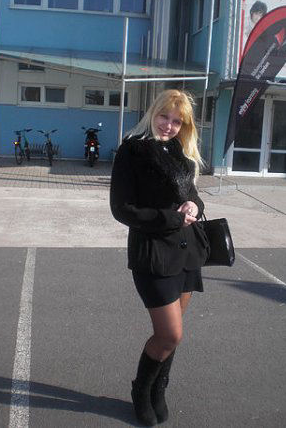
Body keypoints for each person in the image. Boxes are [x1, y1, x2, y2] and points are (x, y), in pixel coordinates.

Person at [110, 89, 210, 426]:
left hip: (187, 252)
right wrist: (171, 219)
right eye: (164, 116)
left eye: (177, 121)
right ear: (152, 113)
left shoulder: (182, 150)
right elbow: (122, 209)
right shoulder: (133, 149)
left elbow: (192, 194)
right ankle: (141, 390)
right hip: (153, 254)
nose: (168, 125)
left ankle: (158, 388)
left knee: (173, 333)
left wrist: (195, 204)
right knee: (170, 334)